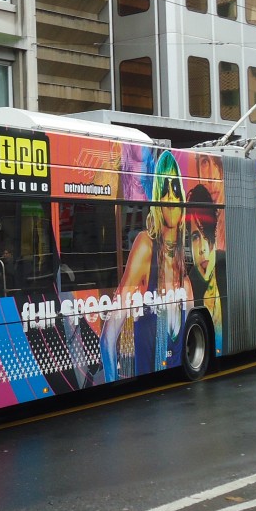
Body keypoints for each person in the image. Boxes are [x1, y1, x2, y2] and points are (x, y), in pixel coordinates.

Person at [99, 150, 189, 381]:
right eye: (164, 191)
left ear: (182, 203)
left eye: (175, 191)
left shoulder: (185, 281)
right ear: (156, 200)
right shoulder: (145, 246)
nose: (170, 198)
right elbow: (108, 336)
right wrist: (112, 382)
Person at [186, 184, 224, 354]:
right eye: (195, 237)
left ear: (214, 233)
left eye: (205, 234)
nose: (201, 248)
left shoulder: (228, 267)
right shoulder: (188, 286)